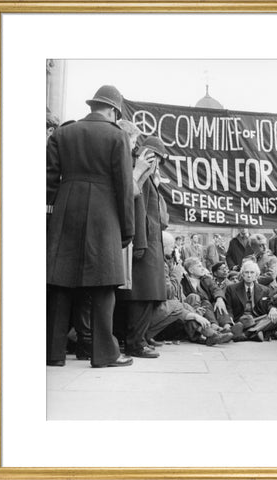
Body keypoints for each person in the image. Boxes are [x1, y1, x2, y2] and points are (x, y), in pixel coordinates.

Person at [46, 84, 134, 368]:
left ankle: (53, 352)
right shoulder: (117, 137)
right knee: (103, 286)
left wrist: (52, 214)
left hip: (65, 211)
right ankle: (105, 354)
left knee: (60, 284)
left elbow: (48, 181)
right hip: (103, 215)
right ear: (113, 110)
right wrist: (127, 228)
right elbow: (123, 186)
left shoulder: (62, 133)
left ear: (93, 105)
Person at [118, 135, 169, 359]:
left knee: (147, 295)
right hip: (145, 244)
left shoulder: (148, 179)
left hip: (150, 243)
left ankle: (139, 339)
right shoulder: (141, 177)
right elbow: (137, 211)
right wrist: (139, 243)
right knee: (142, 295)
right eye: (157, 157)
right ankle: (135, 344)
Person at [142, 232, 233, 346]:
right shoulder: (165, 266)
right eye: (172, 246)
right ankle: (207, 334)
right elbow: (170, 293)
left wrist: (197, 311)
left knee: (191, 302)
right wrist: (194, 315)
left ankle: (209, 333)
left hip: (188, 307)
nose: (175, 249)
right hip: (158, 311)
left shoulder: (205, 278)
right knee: (180, 304)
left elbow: (213, 289)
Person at [224, 260, 277, 342]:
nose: (249, 275)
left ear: (257, 275)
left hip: (258, 319)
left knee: (275, 319)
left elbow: (269, 304)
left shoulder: (265, 290)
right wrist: (229, 322)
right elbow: (228, 307)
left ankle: (247, 333)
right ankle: (255, 332)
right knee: (247, 319)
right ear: (242, 274)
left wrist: (273, 309)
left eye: (252, 272)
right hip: (240, 319)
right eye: (246, 272)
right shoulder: (231, 289)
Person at [181, 257, 232, 328]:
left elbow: (216, 289)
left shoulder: (206, 279)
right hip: (196, 308)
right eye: (199, 266)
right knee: (206, 303)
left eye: (202, 266)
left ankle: (227, 326)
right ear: (191, 270)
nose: (203, 268)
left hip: (210, 307)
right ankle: (214, 326)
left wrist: (219, 299)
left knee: (218, 303)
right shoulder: (183, 282)